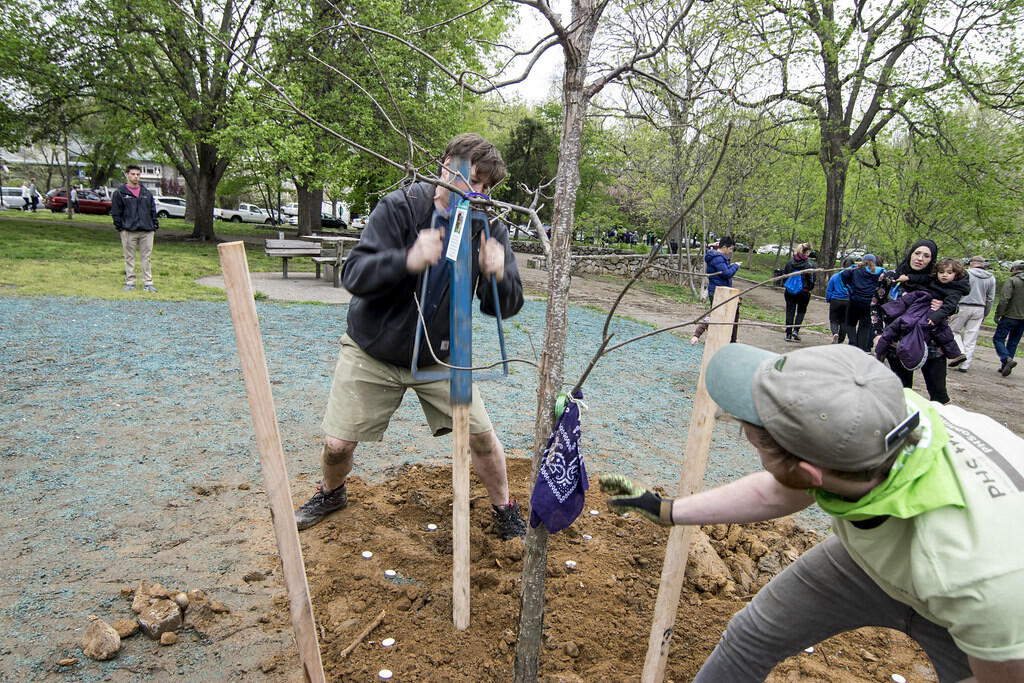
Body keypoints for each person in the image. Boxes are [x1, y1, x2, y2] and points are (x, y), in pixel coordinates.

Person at [600, 343, 1024, 682]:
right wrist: (667, 510)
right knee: (752, 636)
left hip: (986, 621)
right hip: (878, 558)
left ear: (808, 470)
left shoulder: (986, 581)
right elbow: (788, 486)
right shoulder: (889, 415)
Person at [293, 133, 528, 540]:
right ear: (446, 166)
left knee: (484, 440)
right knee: (336, 446)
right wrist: (408, 259)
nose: (479, 192)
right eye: (474, 179)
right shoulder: (401, 207)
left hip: (440, 358)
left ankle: (504, 509)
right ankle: (332, 493)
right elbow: (354, 275)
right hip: (375, 350)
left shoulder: (487, 225)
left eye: (487, 186)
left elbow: (504, 307)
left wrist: (499, 274)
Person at [872, 239, 951, 404]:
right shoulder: (890, 277)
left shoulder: (938, 280)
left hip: (931, 341)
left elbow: (953, 302)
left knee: (939, 394)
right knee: (902, 392)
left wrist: (947, 307)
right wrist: (878, 333)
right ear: (910, 254)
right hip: (898, 340)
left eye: (926, 255)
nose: (920, 258)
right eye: (917, 253)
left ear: (932, 259)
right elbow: (875, 305)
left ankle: (937, 426)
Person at [874, 257, 969, 368]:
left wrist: (936, 317)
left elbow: (949, 306)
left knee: (941, 331)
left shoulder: (955, 290)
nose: (944, 275)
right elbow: (921, 278)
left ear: (956, 275)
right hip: (917, 307)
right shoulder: (932, 280)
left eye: (949, 273)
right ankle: (881, 350)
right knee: (897, 326)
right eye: (941, 272)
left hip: (931, 314)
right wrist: (908, 277)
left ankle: (954, 354)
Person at [111, 165, 159, 292]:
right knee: (129, 257)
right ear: (127, 174)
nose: (136, 177)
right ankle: (130, 282)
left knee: (146, 258)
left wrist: (154, 225)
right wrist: (120, 227)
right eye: (133, 174)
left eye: (138, 174)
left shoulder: (146, 193)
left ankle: (148, 283)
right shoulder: (120, 193)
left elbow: (152, 210)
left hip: (146, 230)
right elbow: (116, 212)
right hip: (128, 230)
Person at [948, 256, 997, 373]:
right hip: (979, 308)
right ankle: (965, 365)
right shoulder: (991, 278)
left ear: (971, 263)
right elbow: (990, 298)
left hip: (963, 305)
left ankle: (961, 352)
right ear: (983, 265)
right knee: (971, 336)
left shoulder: (965, 274)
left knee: (954, 331)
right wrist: (986, 313)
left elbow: (957, 290)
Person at [840, 254, 880, 350]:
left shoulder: (855, 269)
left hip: (854, 300)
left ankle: (853, 344)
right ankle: (862, 348)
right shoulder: (878, 272)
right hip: (868, 303)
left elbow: (843, 275)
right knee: (865, 326)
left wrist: (849, 288)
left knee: (850, 323)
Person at [993, 260, 1024, 377]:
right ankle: (1005, 366)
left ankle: (1006, 359)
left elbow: (1004, 299)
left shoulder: (1012, 280)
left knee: (998, 339)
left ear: (1015, 269)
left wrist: (998, 314)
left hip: (1010, 316)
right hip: (1022, 319)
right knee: (1013, 341)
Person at [782, 242, 815, 342]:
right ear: (808, 252)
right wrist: (809, 288)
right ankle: (796, 330)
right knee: (801, 311)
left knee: (790, 311)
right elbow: (812, 279)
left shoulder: (790, 262)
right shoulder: (810, 264)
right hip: (803, 292)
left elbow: (785, 276)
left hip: (790, 291)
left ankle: (788, 334)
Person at [704, 235, 741, 308]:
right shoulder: (718, 258)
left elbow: (722, 270)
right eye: (730, 249)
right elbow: (726, 274)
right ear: (724, 247)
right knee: (718, 313)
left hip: (718, 289)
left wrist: (730, 266)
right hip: (718, 290)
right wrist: (735, 266)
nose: (731, 251)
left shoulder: (718, 258)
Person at [825, 257, 854, 344]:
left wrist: (828, 299)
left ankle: (835, 333)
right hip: (848, 301)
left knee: (834, 320)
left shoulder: (835, 276)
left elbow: (829, 290)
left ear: (843, 266)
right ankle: (840, 340)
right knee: (844, 321)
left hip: (835, 300)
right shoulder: (854, 277)